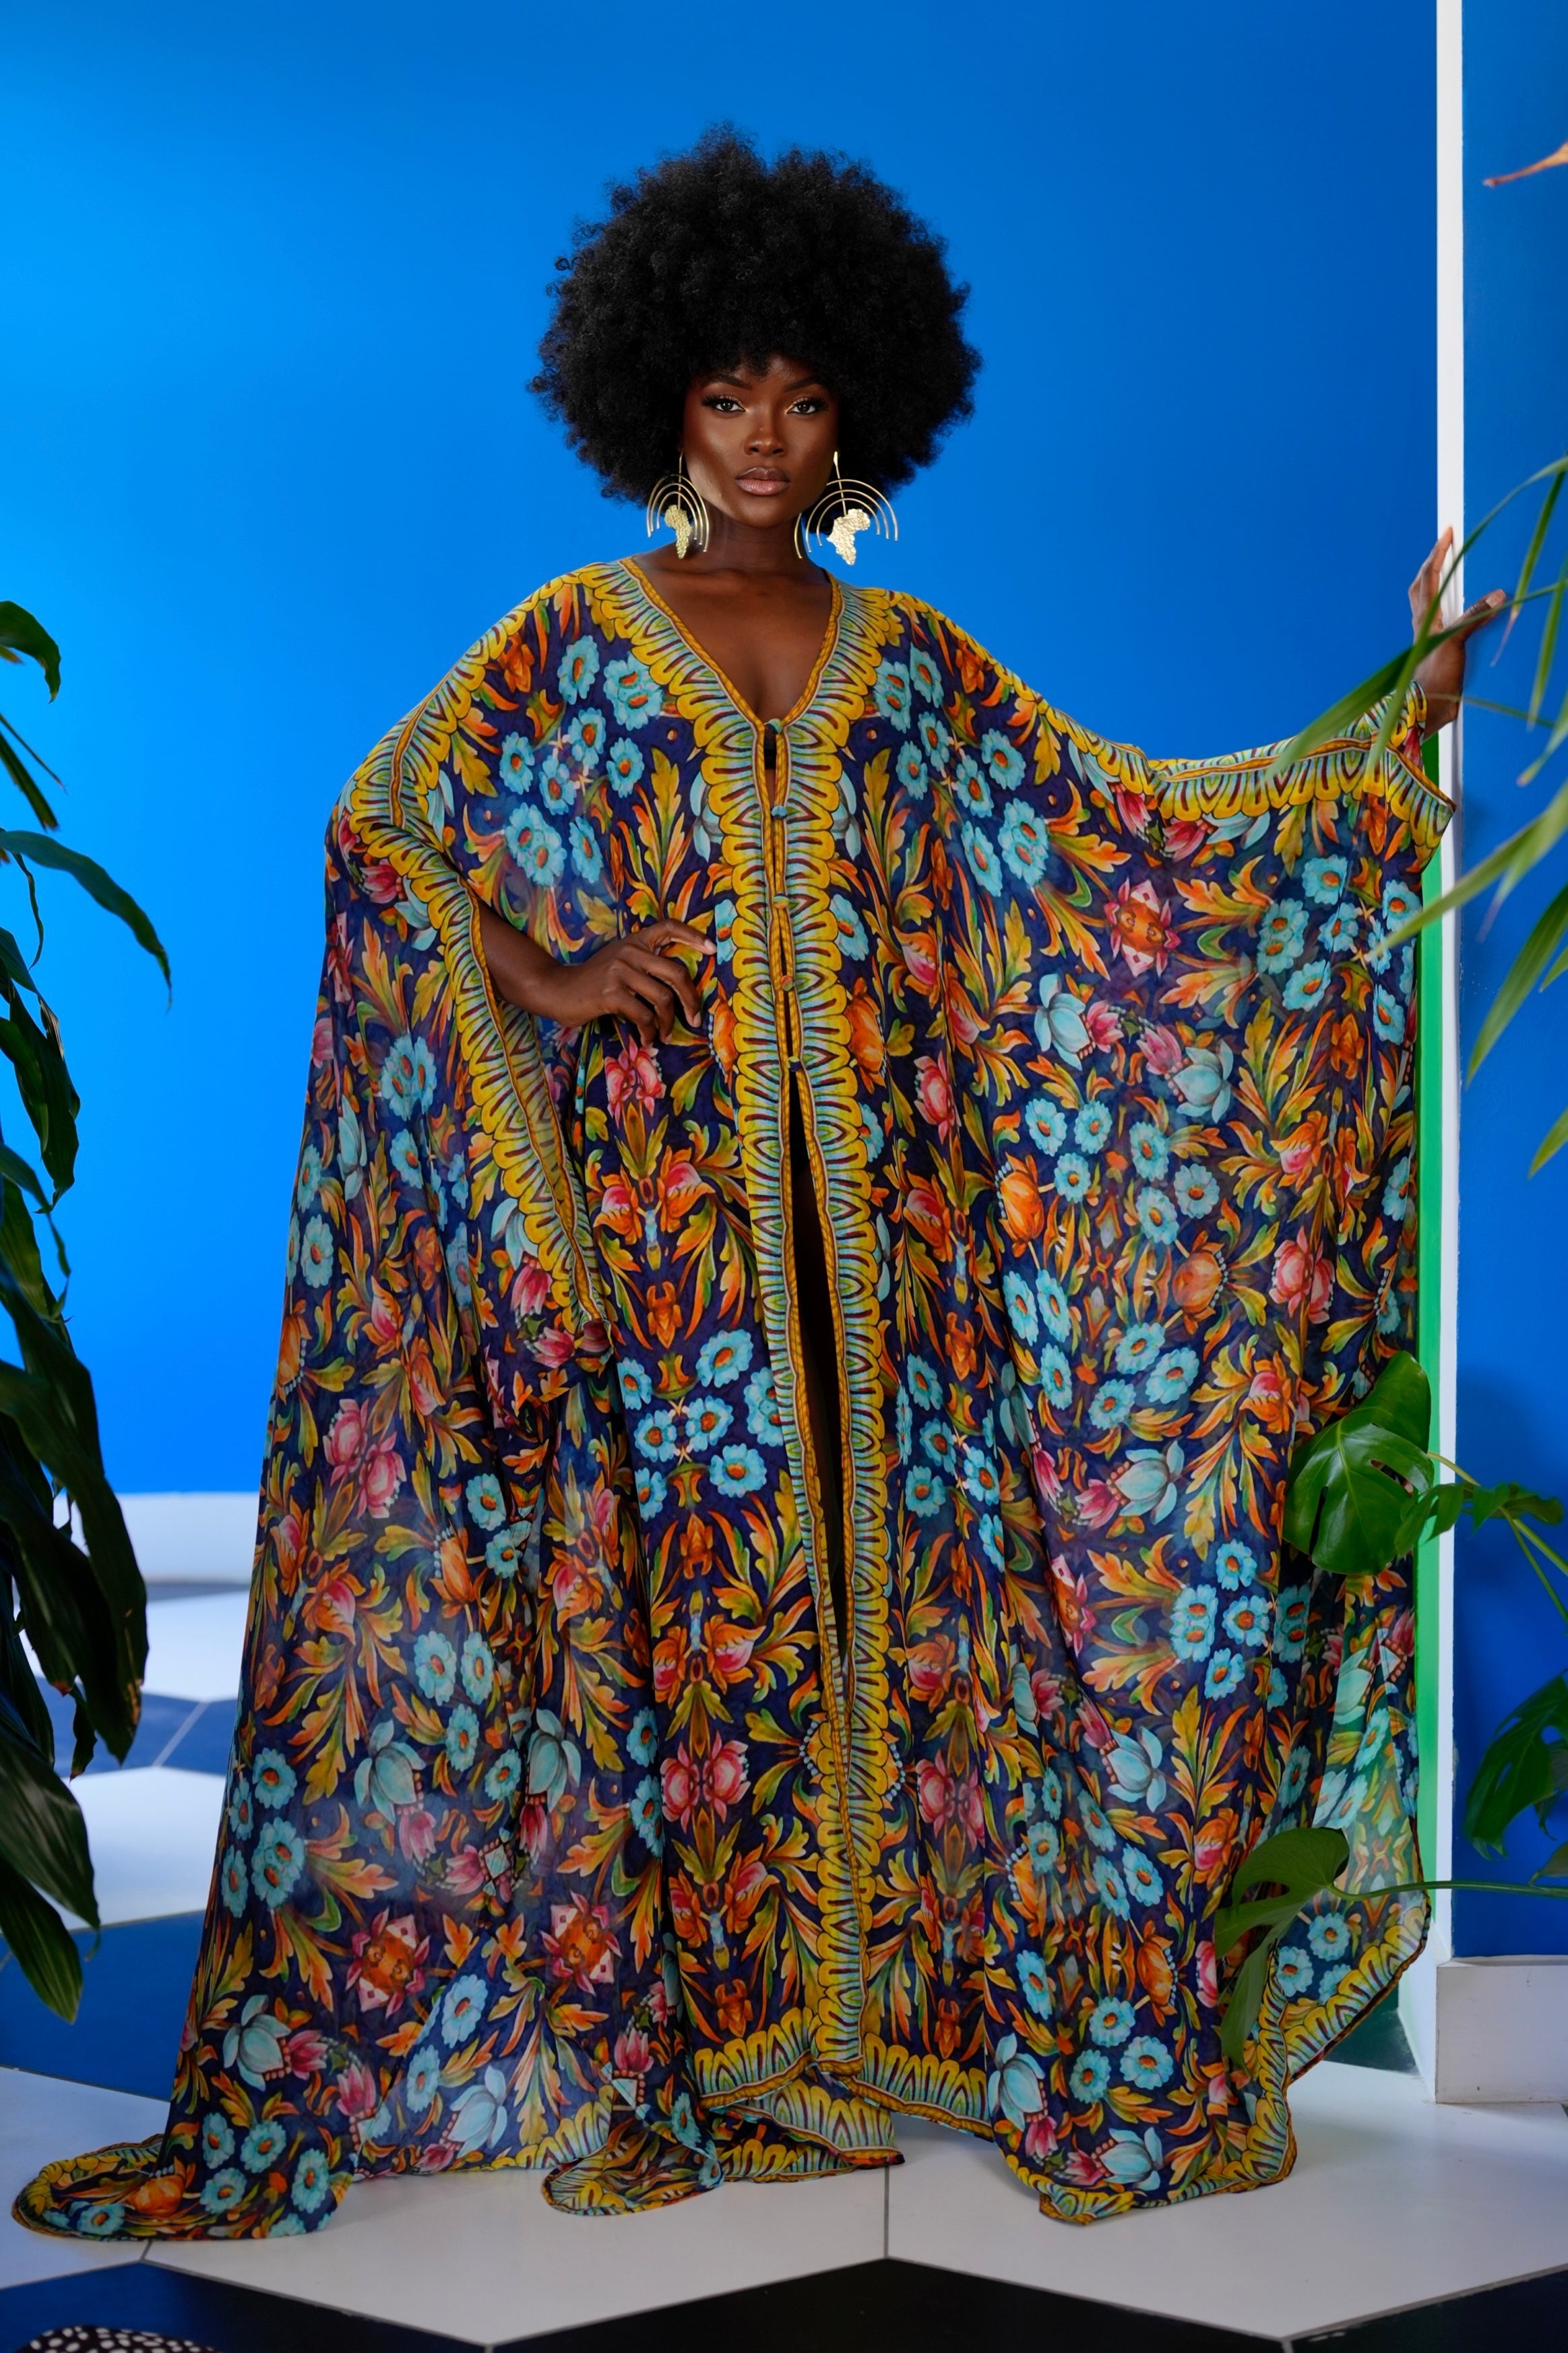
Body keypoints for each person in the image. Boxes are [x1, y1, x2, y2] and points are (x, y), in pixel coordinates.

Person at [20, 130, 1501, 2241]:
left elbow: (1130, 847)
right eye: (729, 398)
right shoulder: (577, 636)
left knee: (895, 1624)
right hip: (661, 1247)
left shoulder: (910, 662)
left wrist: (1398, 720)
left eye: (807, 400)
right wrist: (546, 969)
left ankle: (854, 2011)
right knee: (688, 1617)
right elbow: (388, 834)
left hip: (890, 1263)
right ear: (661, 405)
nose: (769, 444)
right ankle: (695, 2034)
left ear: (863, 411)